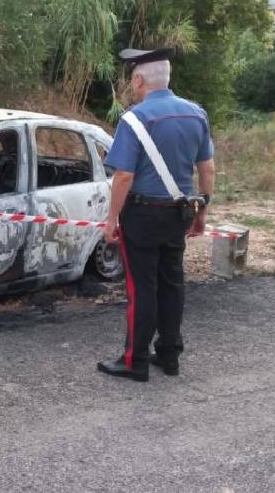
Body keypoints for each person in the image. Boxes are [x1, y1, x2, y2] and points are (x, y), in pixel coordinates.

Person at [97, 48, 215, 382]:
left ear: (138, 79)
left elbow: (123, 177)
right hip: (179, 212)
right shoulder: (196, 114)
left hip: (143, 215)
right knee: (172, 283)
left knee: (142, 288)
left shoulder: (134, 118)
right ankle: (169, 355)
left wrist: (110, 221)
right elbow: (207, 169)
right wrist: (201, 212)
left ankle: (134, 361)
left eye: (132, 79)